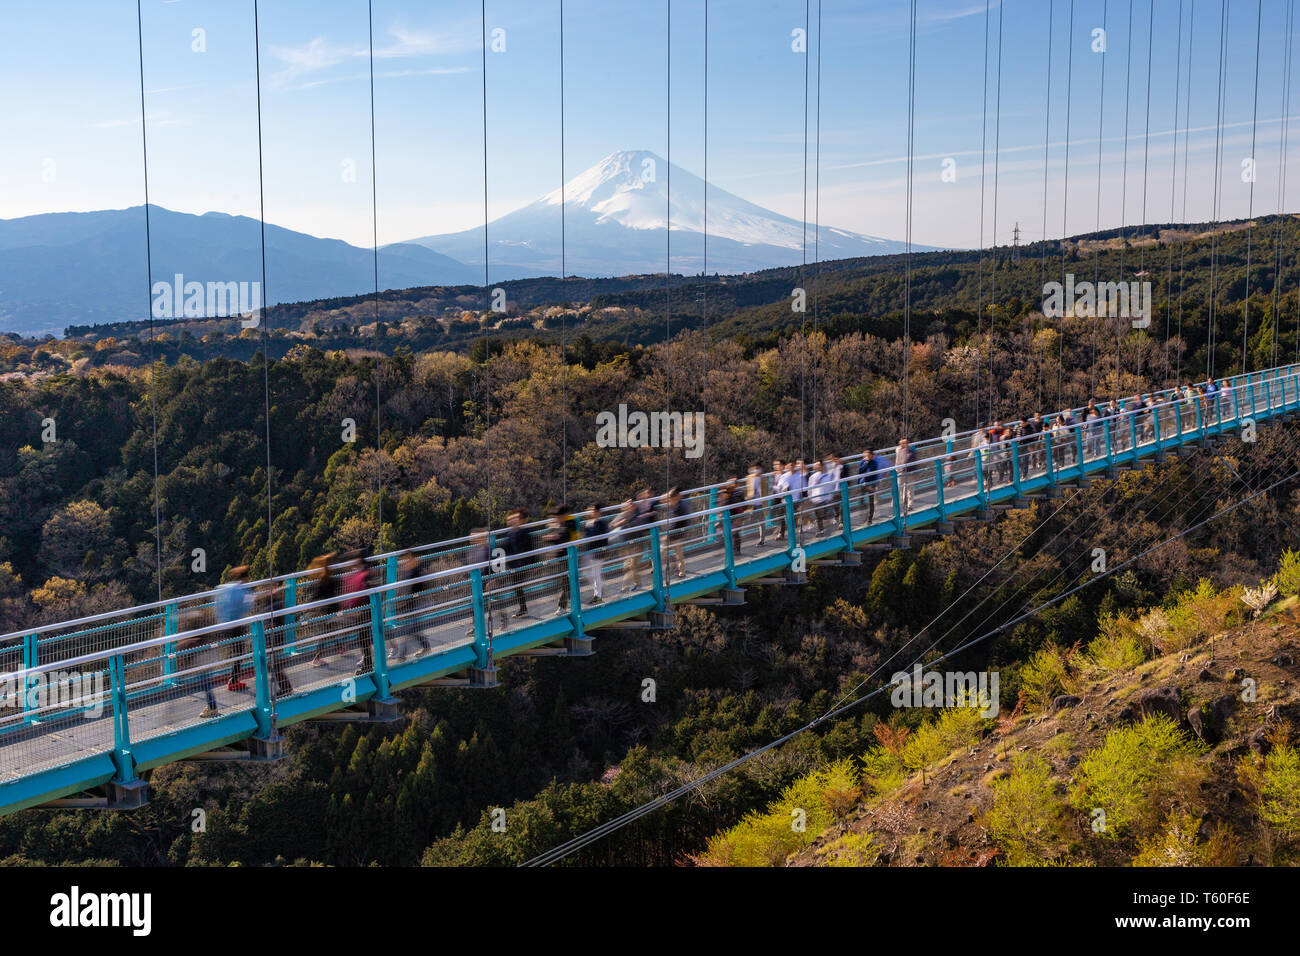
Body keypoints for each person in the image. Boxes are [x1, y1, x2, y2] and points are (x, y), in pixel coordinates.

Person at [214, 565, 252, 692]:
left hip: (224, 623)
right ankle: (233, 680)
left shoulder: (226, 588)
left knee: (235, 651)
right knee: (239, 652)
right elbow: (245, 609)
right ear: (246, 577)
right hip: (236, 625)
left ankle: (233, 678)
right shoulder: (242, 591)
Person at [542, 506, 579, 615]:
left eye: (556, 517)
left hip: (568, 558)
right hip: (562, 558)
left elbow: (562, 537)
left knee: (566, 582)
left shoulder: (568, 525)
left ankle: (562, 606)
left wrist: (553, 537)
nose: (555, 519)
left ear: (562, 516)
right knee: (566, 582)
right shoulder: (560, 525)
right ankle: (571, 601)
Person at [308, 552, 340, 667]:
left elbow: (317, 594)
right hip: (331, 609)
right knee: (327, 632)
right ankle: (316, 658)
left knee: (328, 631)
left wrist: (309, 606)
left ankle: (339, 647)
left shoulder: (322, 578)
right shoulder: (331, 579)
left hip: (325, 609)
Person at [503, 508, 535, 617]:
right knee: (516, 586)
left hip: (521, 564)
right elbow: (506, 547)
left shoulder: (524, 532)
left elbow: (530, 549)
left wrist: (533, 564)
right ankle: (523, 608)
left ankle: (523, 609)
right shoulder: (510, 533)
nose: (513, 520)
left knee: (517, 585)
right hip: (513, 564)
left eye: (516, 518)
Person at [581, 505, 610, 603]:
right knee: (586, 572)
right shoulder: (588, 523)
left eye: (592, 510)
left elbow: (597, 537)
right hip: (590, 552)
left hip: (598, 553)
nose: (590, 512)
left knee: (595, 574)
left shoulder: (601, 523)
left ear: (598, 512)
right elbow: (586, 537)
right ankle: (600, 590)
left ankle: (598, 596)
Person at [664, 488, 692, 579]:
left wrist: (685, 532)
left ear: (676, 496)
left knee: (678, 553)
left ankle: (681, 571)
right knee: (662, 551)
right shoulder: (673, 504)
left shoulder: (682, 505)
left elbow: (682, 521)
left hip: (678, 533)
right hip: (671, 533)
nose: (669, 500)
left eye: (670, 497)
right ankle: (674, 568)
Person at [894, 437, 916, 513]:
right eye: (901, 443)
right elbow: (897, 461)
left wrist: (914, 472)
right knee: (898, 488)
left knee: (910, 490)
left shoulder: (911, 451)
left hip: (909, 473)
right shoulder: (898, 450)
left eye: (904, 443)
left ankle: (910, 505)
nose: (902, 445)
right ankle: (896, 505)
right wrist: (896, 470)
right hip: (900, 472)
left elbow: (914, 461)